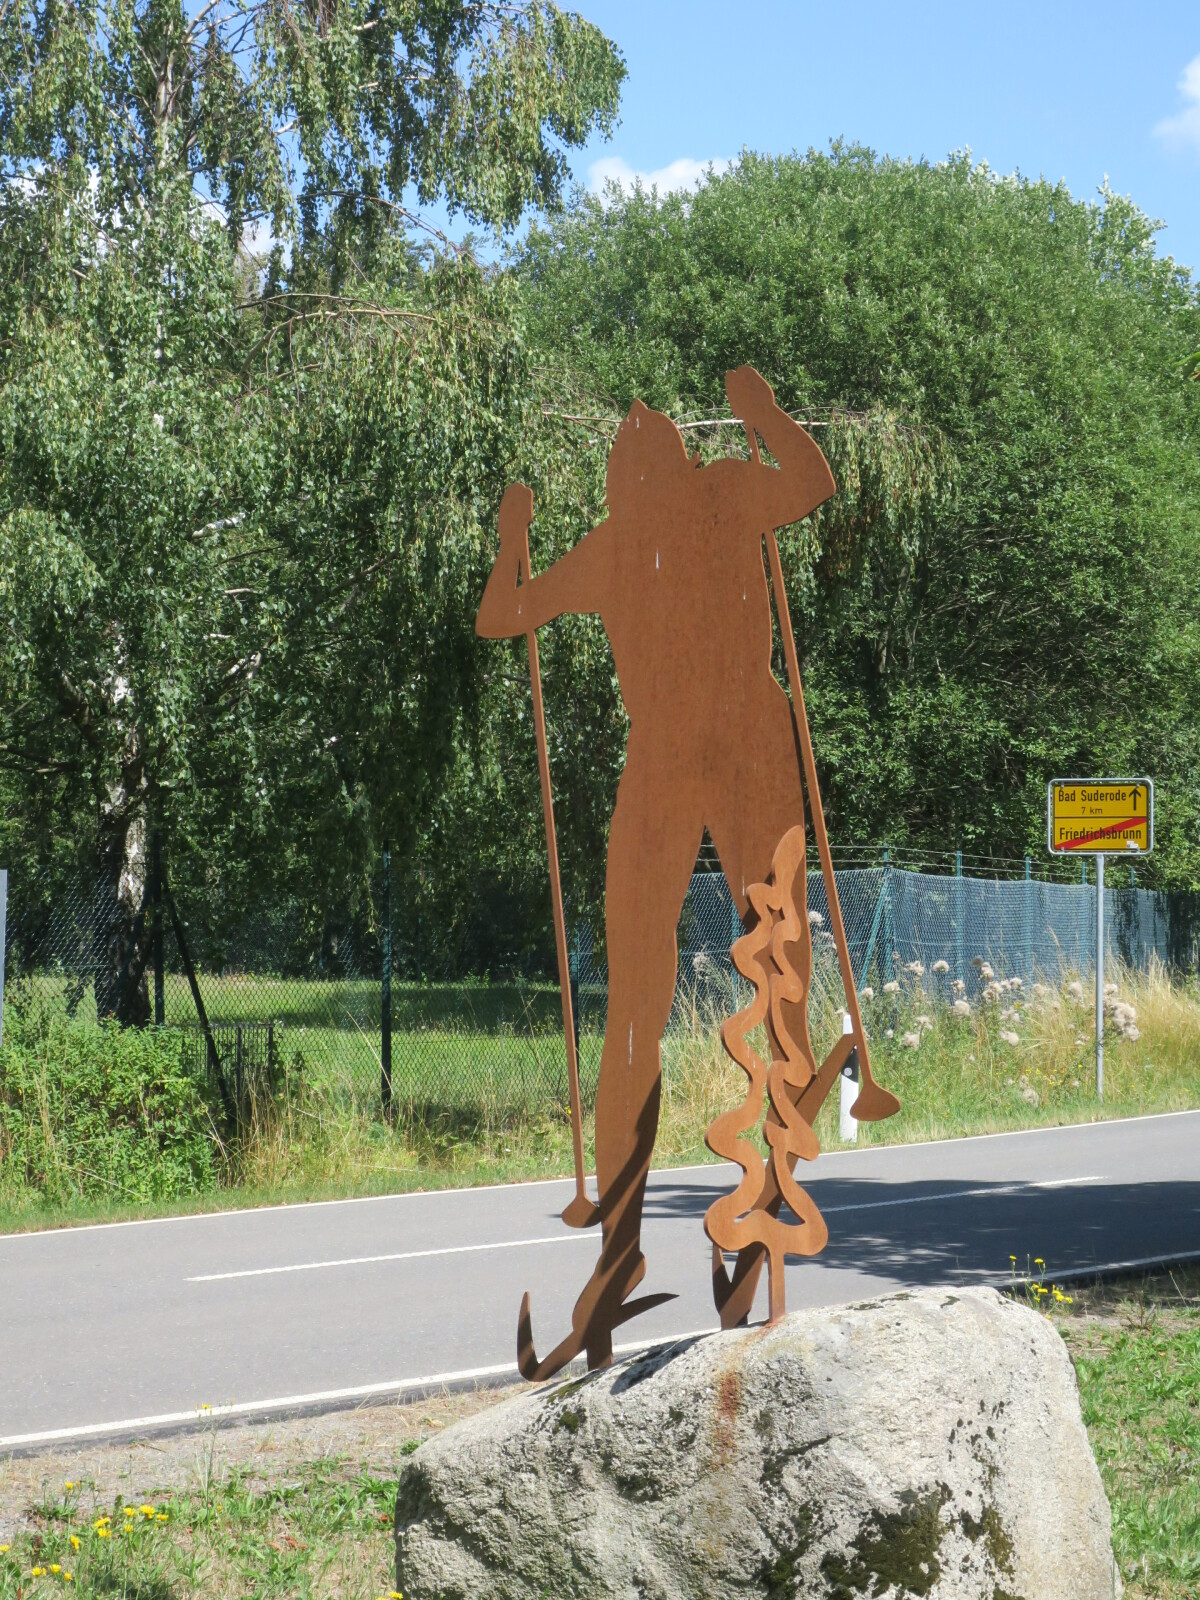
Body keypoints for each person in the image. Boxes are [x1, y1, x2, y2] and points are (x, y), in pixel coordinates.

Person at [477, 367, 864, 1371]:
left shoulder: (708, 501)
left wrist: (765, 418)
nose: (634, 488)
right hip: (684, 753)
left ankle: (754, 1208)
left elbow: (812, 484)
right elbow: (503, 615)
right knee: (654, 998)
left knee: (771, 972)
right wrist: (513, 541)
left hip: (741, 742)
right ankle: (629, 1247)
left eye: (638, 472)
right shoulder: (671, 517)